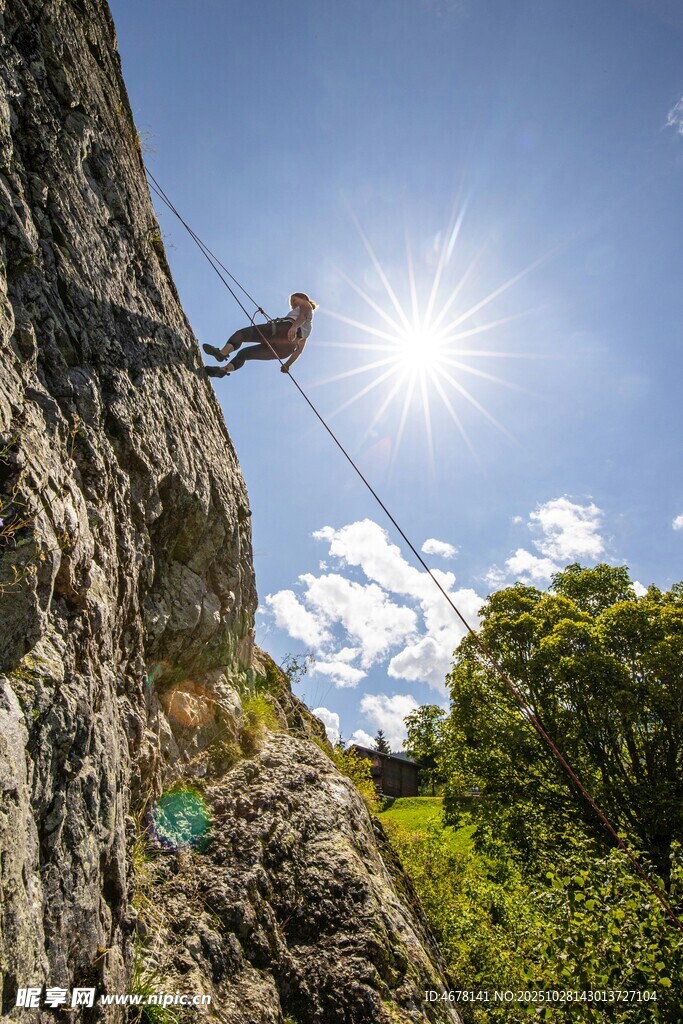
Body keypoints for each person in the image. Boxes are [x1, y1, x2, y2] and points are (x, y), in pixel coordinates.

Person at [203, 293, 317, 377]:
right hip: (285, 350)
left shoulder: (305, 304)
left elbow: (302, 316)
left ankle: (222, 353)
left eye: (294, 300)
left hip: (284, 331)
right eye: (292, 303)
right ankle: (223, 370)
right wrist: (287, 364)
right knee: (245, 354)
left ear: (303, 298)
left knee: (242, 334)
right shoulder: (308, 329)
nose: (293, 304)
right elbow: (299, 350)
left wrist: (293, 327)